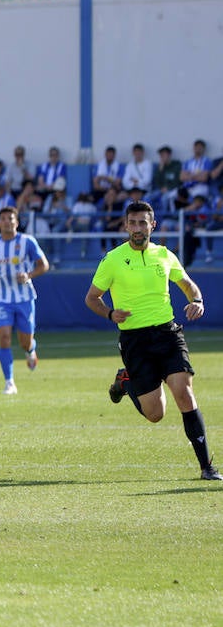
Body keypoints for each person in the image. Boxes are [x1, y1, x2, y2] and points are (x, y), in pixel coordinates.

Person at [85, 201, 220, 480]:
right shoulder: (112, 259)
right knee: (155, 414)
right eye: (132, 223)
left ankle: (207, 467)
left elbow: (187, 284)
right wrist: (110, 313)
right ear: (125, 226)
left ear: (152, 225)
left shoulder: (164, 255)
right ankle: (126, 381)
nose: (137, 228)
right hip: (135, 341)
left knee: (184, 392)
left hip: (168, 333)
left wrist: (197, 300)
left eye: (142, 223)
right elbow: (91, 298)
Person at [0, 206, 49, 395]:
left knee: (25, 341)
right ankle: (9, 382)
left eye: (11, 218)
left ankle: (30, 350)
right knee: (4, 338)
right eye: (3, 218)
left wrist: (29, 275)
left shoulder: (27, 242)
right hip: (1, 298)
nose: (7, 221)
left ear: (16, 221)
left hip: (24, 297)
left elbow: (44, 265)